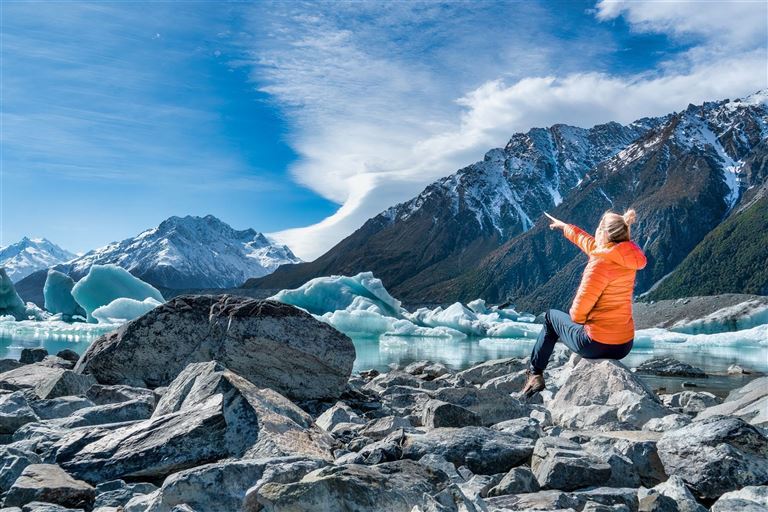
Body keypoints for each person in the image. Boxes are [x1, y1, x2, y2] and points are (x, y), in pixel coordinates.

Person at [521, 209, 647, 398]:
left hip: (596, 344)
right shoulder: (626, 257)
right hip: (623, 345)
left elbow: (578, 314)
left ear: (604, 233)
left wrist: (584, 322)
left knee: (550, 318)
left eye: (598, 227)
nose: (595, 231)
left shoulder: (599, 264)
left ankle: (535, 373)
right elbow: (589, 244)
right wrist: (565, 227)